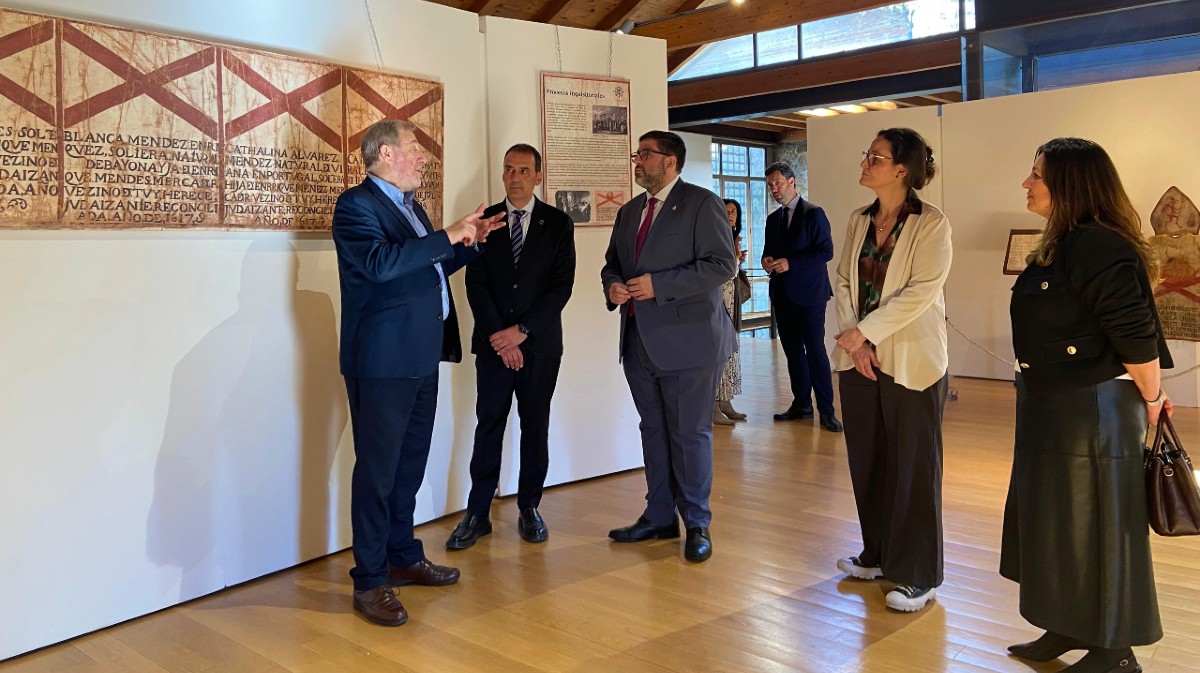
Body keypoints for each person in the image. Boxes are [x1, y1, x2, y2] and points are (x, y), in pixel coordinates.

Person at [1001, 137, 1173, 673]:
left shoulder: (1100, 246)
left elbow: (1137, 338)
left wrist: (1153, 400)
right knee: (1057, 523)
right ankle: (1068, 624)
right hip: (1054, 405)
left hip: (1094, 411)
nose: (1027, 183)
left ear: (1070, 183)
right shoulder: (1064, 243)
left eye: (1037, 174)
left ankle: (1114, 651)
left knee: (1099, 528)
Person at [332, 119, 503, 627]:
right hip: (382, 363)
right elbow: (380, 264)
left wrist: (467, 242)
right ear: (385, 153)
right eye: (414, 148)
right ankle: (369, 580)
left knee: (409, 464)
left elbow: (424, 268)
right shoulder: (356, 205)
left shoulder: (411, 206)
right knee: (378, 472)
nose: (423, 157)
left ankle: (402, 556)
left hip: (421, 356)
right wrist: (446, 234)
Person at [601, 130, 737, 563]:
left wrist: (659, 285)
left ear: (670, 161)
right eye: (637, 154)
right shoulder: (630, 212)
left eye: (645, 154)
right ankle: (659, 516)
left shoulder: (701, 203)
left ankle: (697, 522)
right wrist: (614, 286)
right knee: (654, 431)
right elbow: (612, 264)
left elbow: (722, 265)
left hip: (690, 342)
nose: (637, 161)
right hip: (638, 341)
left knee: (689, 434)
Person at [831, 128, 951, 613]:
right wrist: (856, 340)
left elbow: (921, 291)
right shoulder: (859, 219)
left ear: (902, 170)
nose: (865, 162)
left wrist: (866, 333)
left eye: (874, 157)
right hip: (859, 358)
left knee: (913, 466)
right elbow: (843, 279)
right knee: (869, 459)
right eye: (867, 154)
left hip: (912, 360)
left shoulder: (931, 223)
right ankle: (878, 554)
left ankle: (919, 574)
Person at [446, 144, 576, 550]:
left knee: (535, 425)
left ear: (538, 176)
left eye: (523, 170)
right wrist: (501, 339)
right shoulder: (486, 221)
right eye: (508, 170)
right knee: (489, 425)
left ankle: (529, 507)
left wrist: (522, 331)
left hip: (539, 346)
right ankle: (477, 513)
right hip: (493, 346)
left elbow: (561, 287)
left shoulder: (558, 223)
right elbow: (475, 284)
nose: (514, 177)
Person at [761, 162, 842, 432]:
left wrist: (791, 263)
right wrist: (767, 261)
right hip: (782, 294)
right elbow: (768, 251)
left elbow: (825, 252)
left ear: (792, 181)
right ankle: (802, 405)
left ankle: (827, 411)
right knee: (792, 351)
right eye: (770, 185)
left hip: (810, 295)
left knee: (815, 351)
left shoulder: (813, 213)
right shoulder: (773, 219)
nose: (774, 189)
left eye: (778, 183)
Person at [713, 199, 747, 426]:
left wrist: (737, 258)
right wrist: (736, 257)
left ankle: (725, 401)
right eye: (726, 211)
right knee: (720, 351)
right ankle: (714, 405)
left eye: (733, 211)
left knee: (730, 351)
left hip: (730, 300)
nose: (730, 215)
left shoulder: (732, 237)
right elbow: (726, 270)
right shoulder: (717, 236)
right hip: (719, 301)